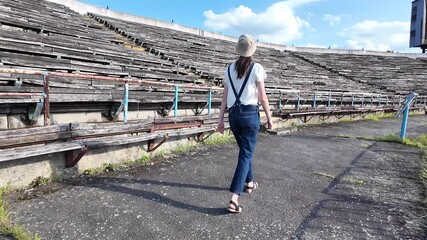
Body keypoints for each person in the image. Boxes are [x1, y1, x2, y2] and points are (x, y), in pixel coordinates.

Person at [217, 34, 273, 213]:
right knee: (245, 155)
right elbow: (263, 97)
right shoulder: (257, 68)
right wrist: (269, 118)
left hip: (233, 116)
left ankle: (249, 183)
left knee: (245, 152)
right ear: (252, 51)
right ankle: (234, 197)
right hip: (249, 115)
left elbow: (224, 97)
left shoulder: (228, 69)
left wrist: (220, 120)